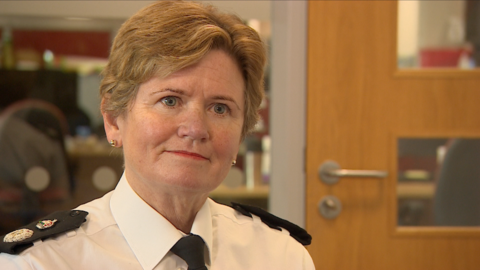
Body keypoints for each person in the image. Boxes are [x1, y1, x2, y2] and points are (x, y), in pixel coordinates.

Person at [0, 1, 315, 269]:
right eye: (170, 100)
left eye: (220, 108)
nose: (195, 129)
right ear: (113, 120)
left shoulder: (281, 256)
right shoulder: (42, 262)